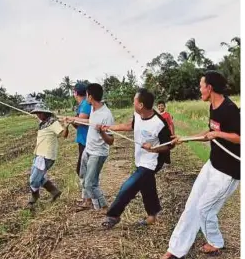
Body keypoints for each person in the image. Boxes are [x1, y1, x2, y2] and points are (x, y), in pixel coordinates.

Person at [161, 71, 240, 259]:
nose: (199, 89)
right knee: (192, 205)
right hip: (212, 164)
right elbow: (211, 131)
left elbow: (239, 137)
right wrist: (186, 138)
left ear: (209, 88)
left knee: (204, 209)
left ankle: (216, 242)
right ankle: (174, 250)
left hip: (228, 172)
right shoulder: (213, 106)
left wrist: (218, 135)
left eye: (201, 85)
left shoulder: (229, 109)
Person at [100, 88, 173, 229]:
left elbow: (169, 145)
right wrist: (109, 128)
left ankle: (113, 215)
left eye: (135, 100)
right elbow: (130, 126)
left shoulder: (159, 123)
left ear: (140, 105)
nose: (133, 102)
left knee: (129, 186)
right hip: (141, 159)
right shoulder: (138, 115)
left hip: (153, 161)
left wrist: (153, 148)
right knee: (147, 185)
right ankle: (152, 215)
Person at [65, 83, 115, 211]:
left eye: (86, 94)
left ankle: (104, 207)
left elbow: (111, 141)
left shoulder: (106, 115)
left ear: (90, 97)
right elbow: (89, 121)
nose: (85, 97)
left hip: (98, 153)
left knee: (89, 184)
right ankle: (91, 202)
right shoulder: (93, 109)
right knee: (83, 175)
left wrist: (102, 132)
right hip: (88, 149)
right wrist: (72, 119)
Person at [27, 104, 67, 209]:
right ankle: (55, 192)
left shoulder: (53, 123)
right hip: (39, 154)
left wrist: (66, 126)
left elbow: (63, 134)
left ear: (45, 113)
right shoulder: (42, 123)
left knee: (34, 180)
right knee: (39, 178)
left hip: (46, 156)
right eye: (36, 114)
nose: (38, 116)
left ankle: (34, 198)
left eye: (40, 113)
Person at [62, 82, 91, 176]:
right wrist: (70, 122)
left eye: (74, 92)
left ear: (76, 93)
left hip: (87, 142)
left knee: (82, 172)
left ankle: (90, 189)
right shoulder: (82, 105)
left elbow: (81, 121)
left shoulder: (86, 104)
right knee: (83, 171)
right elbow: (78, 125)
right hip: (83, 141)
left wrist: (71, 119)